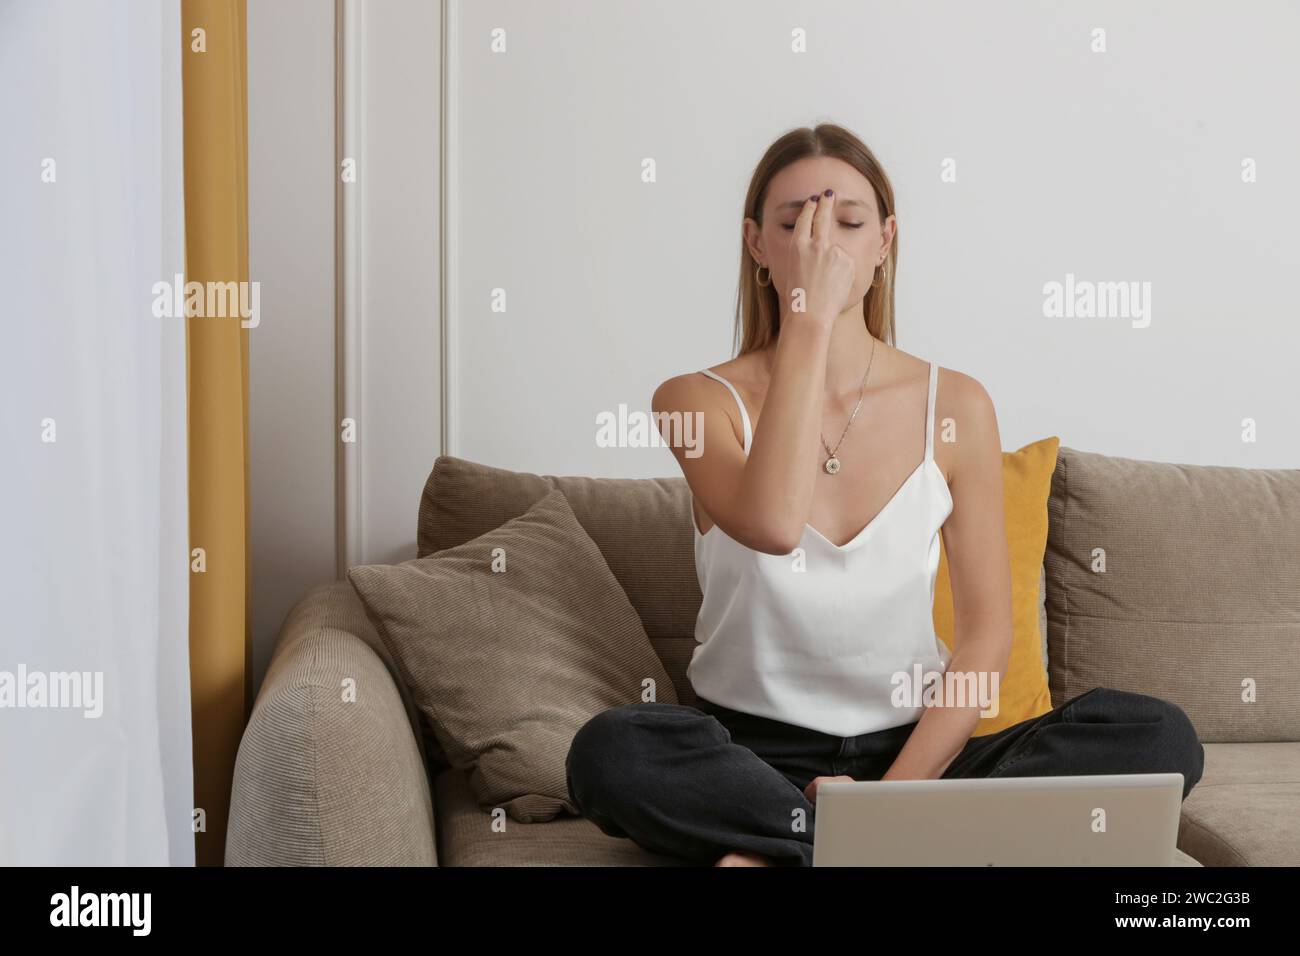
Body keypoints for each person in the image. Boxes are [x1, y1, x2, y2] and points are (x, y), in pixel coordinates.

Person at [565, 122, 1204, 867]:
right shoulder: (696, 402)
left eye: (847, 221)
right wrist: (808, 319)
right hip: (751, 758)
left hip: (919, 756)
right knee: (609, 751)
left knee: (1160, 737)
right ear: (756, 245)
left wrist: (892, 801)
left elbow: (986, 638)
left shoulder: (956, 404)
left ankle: (820, 849)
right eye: (794, 223)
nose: (821, 243)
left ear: (885, 241)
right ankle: (900, 851)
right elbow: (773, 523)